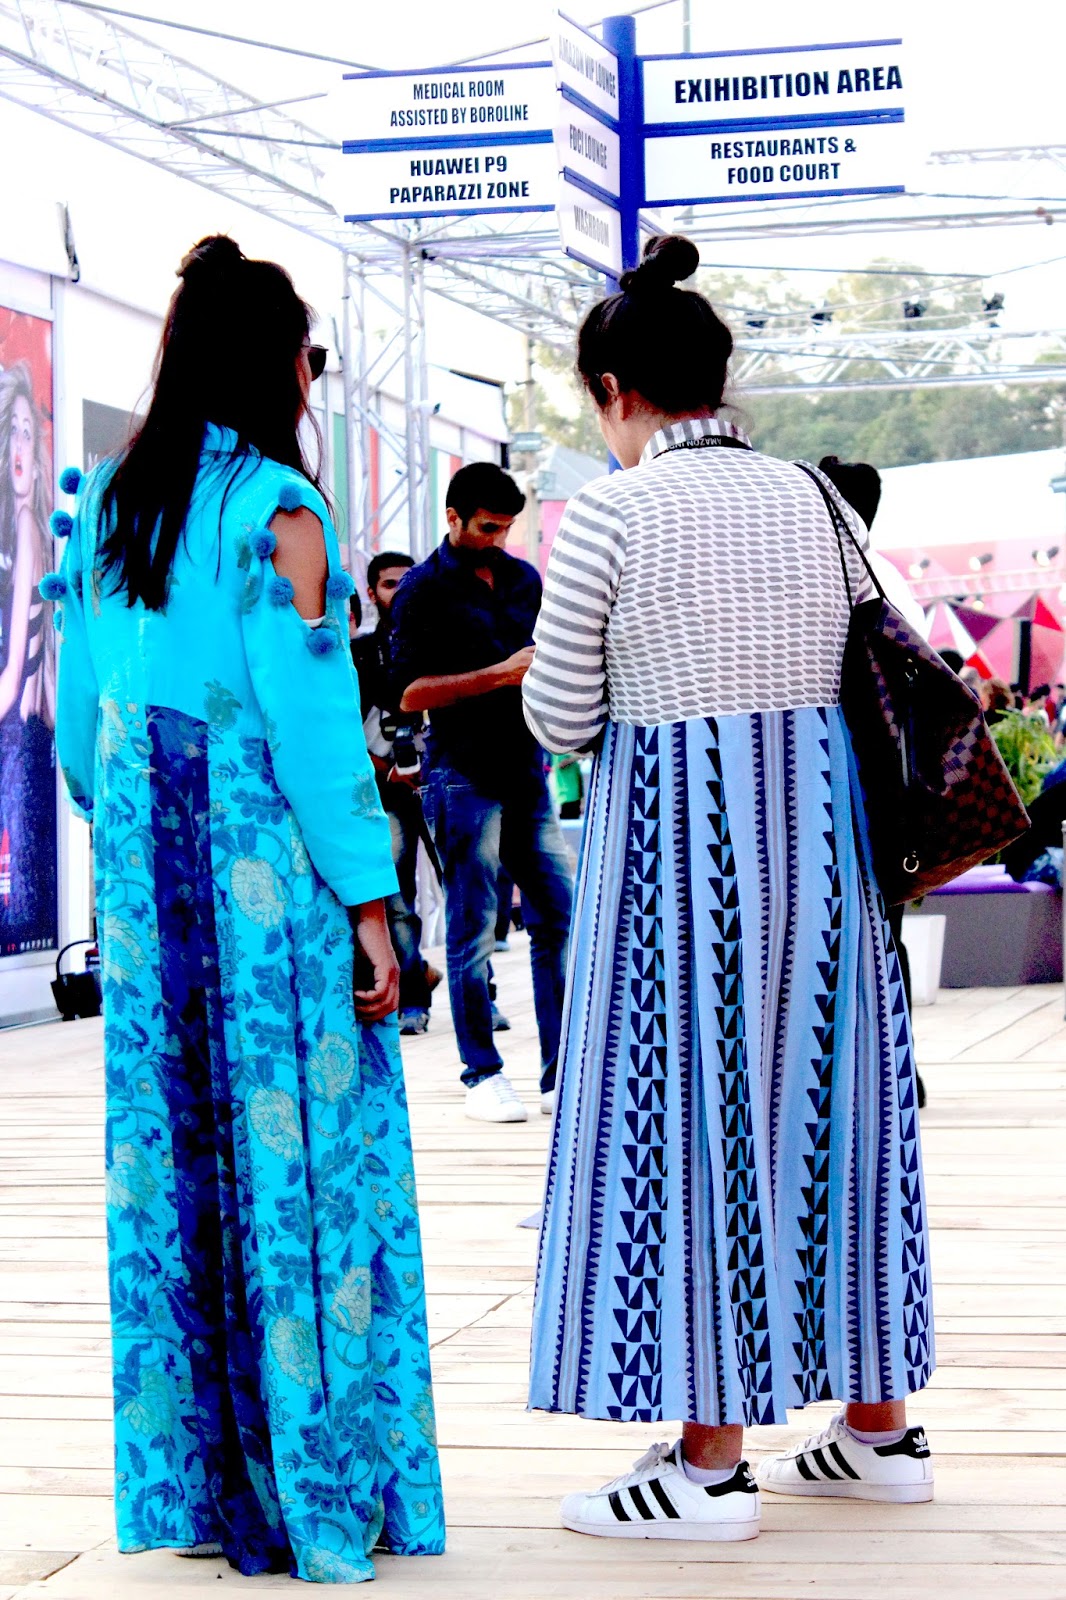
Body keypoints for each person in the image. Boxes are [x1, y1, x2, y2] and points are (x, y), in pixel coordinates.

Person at [523, 236, 934, 1543]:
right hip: (825, 845)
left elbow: (558, 715)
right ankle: (878, 1430)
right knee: (835, 1110)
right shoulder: (815, 498)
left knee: (694, 1118)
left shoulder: (613, 513)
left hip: (680, 847)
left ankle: (706, 1469)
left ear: (613, 391)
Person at [50, 235, 445, 1582]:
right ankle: (314, 1486)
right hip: (264, 891)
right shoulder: (278, 509)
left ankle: (208, 1483)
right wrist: (373, 906)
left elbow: (79, 733)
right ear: (277, 363)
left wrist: (137, 810)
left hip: (148, 895)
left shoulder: (112, 503)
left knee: (176, 1165)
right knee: (304, 1168)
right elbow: (317, 728)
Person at [390, 462, 574, 1124]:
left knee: (559, 918)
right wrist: (498, 674)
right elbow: (409, 694)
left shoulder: (525, 579)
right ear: (454, 518)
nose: (498, 538)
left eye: (507, 527)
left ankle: (561, 1073)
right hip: (461, 773)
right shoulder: (421, 589)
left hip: (527, 767)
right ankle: (482, 1074)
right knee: (472, 930)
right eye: (488, 527)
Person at [351, 550, 440, 1036]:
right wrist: (386, 771)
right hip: (386, 790)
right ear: (371, 592)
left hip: (442, 782)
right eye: (389, 584)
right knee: (397, 898)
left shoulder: (440, 640)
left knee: (465, 892)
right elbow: (344, 731)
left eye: (408, 581)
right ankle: (413, 998)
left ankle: (478, 993)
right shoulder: (361, 654)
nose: (400, 592)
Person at [0, 360, 57, 949]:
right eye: (11, 432)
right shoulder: (24, 527)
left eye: (27, 432)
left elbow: (14, 675)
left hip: (19, 751)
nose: (19, 445)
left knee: (21, 909)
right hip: (24, 749)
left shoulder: (27, 527)